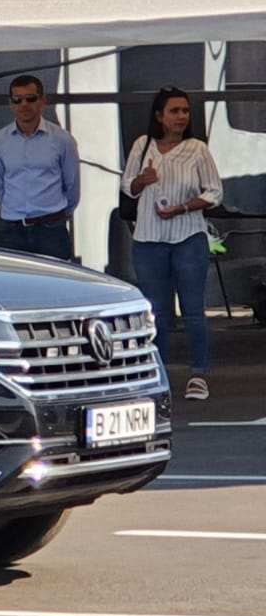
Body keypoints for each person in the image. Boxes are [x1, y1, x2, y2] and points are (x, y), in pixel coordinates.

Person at [121, 85, 222, 401]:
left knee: (193, 310)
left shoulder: (197, 149)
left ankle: (198, 374)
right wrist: (143, 180)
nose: (181, 116)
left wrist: (183, 207)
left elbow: (214, 192)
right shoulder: (143, 145)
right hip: (149, 239)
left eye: (185, 111)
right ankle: (157, 375)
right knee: (157, 313)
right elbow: (127, 186)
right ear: (159, 116)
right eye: (174, 111)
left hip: (188, 237)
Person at [0, 74, 81, 260]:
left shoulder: (62, 140)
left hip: (51, 228)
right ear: (11, 103)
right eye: (17, 99)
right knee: (12, 278)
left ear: (42, 100)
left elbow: (72, 186)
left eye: (30, 98)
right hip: (13, 230)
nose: (24, 104)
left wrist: (58, 216)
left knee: (54, 278)